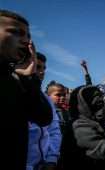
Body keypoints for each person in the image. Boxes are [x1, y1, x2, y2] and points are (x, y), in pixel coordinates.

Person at [0, 9, 52, 170]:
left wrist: (29, 78)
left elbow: (43, 117)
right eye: (16, 32)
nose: (26, 41)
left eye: (28, 36)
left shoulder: (15, 80)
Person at [26, 52, 62, 170]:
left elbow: (54, 130)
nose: (42, 72)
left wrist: (52, 158)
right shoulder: (13, 92)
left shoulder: (46, 100)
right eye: (37, 67)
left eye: (44, 68)